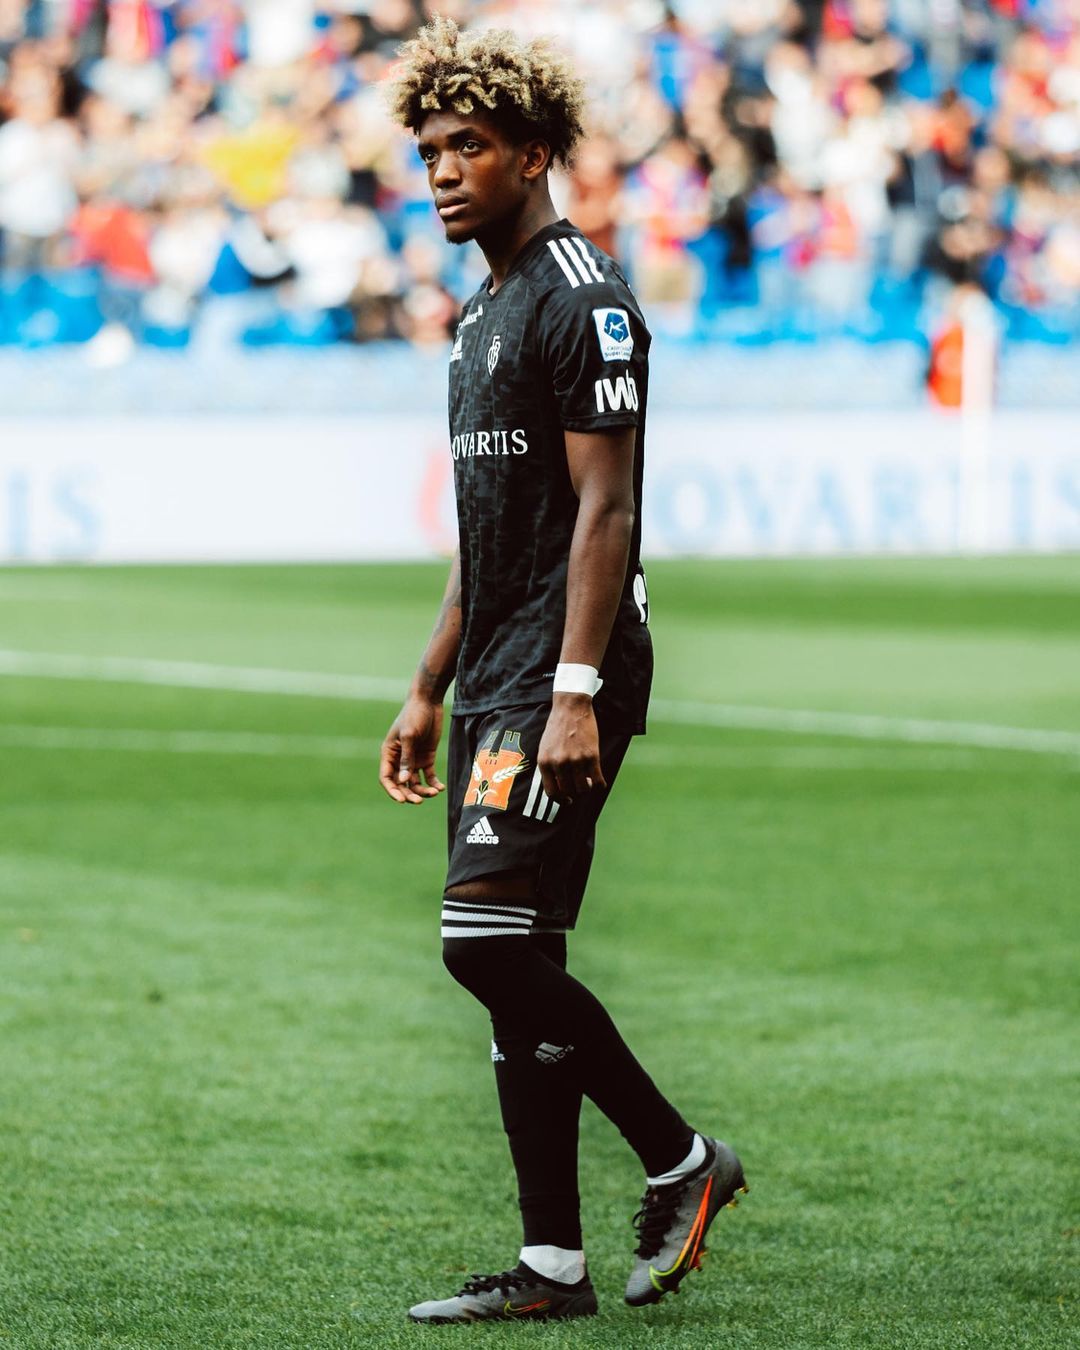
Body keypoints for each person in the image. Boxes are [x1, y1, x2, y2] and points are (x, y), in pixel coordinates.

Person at [378, 16, 746, 1325]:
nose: (443, 171)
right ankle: (552, 1266)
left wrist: (576, 691)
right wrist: (428, 683)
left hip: (564, 671)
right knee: (518, 952)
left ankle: (682, 1159)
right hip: (500, 669)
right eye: (430, 150)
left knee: (479, 940)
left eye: (469, 146)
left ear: (534, 153)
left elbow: (607, 509)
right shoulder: (483, 309)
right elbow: (488, 528)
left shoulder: (584, 297)